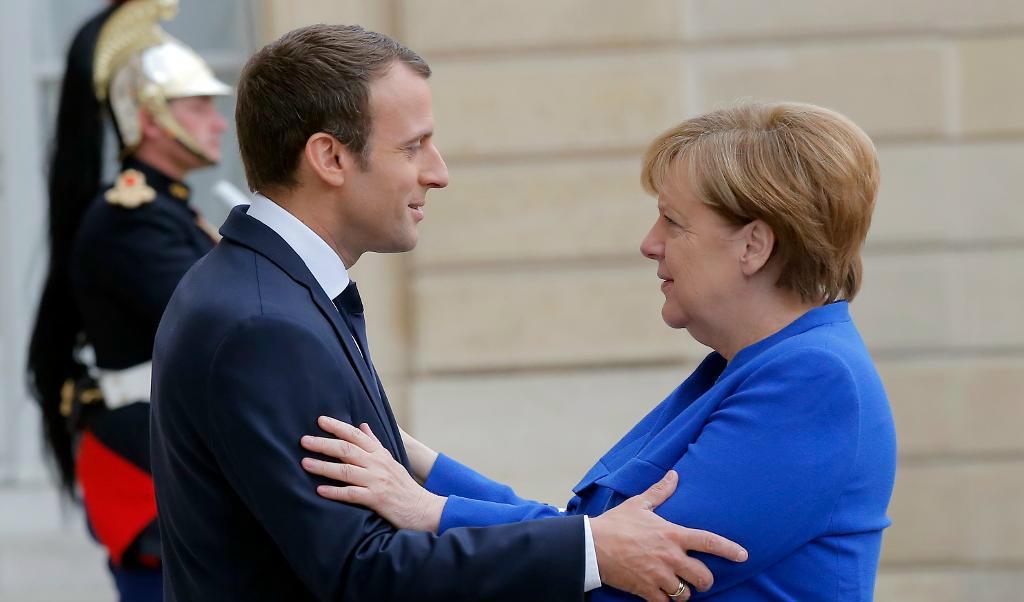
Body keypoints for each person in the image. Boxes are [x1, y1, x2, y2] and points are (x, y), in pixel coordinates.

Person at [150, 24, 748, 602]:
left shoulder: (266, 290)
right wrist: (591, 552)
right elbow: (362, 571)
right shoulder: (266, 325)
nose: (438, 172)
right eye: (413, 146)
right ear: (330, 158)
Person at [300, 101, 899, 600]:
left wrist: (430, 512)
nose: (649, 244)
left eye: (673, 221)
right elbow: (590, 541)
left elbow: (617, 576)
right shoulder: (753, 367)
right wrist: (416, 463)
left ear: (754, 246)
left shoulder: (812, 380)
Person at [26, 0, 229, 598]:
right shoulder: (129, 220)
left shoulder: (166, 211)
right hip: (147, 459)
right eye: (200, 106)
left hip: (173, 450)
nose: (217, 122)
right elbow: (216, 321)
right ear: (153, 116)